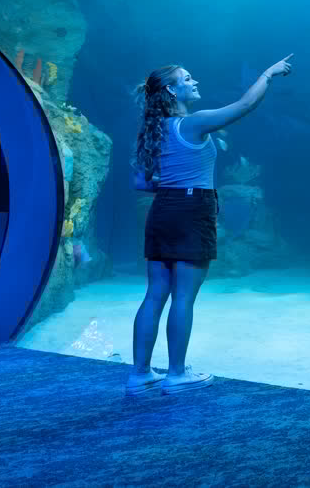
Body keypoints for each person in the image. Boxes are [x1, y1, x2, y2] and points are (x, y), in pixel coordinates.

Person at [124, 54, 294, 395]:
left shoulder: (153, 130)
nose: (194, 82)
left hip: (163, 209)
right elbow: (244, 105)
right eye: (188, 79)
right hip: (192, 208)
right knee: (183, 296)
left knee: (155, 293)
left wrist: (172, 185)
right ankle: (176, 374)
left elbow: (141, 184)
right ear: (172, 90)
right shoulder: (194, 123)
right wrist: (268, 73)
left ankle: (140, 375)